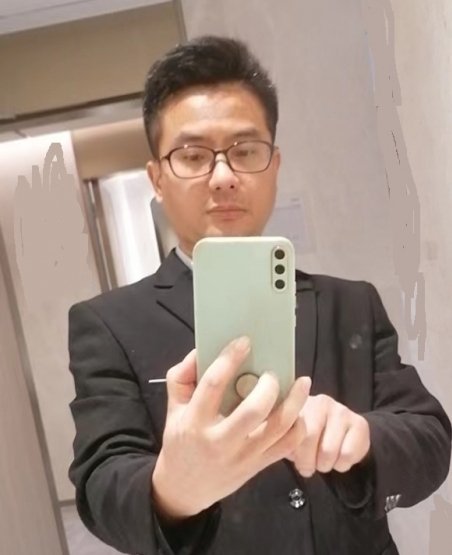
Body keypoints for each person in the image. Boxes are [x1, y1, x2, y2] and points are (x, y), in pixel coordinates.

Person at [68, 36, 451, 555]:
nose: (224, 177)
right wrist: (172, 490)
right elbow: (101, 482)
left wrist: (363, 440)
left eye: (245, 151)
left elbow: (429, 438)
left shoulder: (351, 303)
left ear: (273, 164)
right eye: (193, 155)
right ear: (156, 178)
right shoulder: (108, 323)